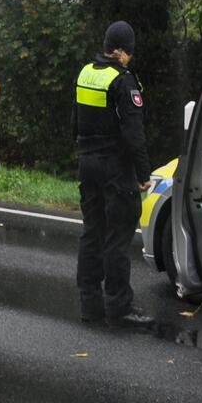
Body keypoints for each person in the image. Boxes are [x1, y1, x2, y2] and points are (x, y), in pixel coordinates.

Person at [73, 20, 154, 327]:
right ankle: (119, 304)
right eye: (129, 52)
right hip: (115, 168)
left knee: (92, 232)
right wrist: (143, 172)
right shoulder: (124, 80)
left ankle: (89, 304)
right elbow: (135, 133)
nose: (130, 58)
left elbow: (75, 122)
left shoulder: (86, 73)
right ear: (121, 51)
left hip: (87, 163)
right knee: (118, 235)